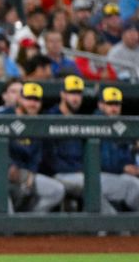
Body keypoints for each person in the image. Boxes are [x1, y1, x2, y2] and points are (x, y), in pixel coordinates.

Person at [0, 83, 65, 213]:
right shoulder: (2, 116)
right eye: (28, 99)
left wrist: (32, 171)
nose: (33, 103)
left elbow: (38, 154)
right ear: (19, 99)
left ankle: (29, 225)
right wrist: (9, 165)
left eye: (36, 100)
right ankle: (8, 229)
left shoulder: (38, 122)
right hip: (1, 175)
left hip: (26, 175)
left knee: (57, 190)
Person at [43, 75, 114, 212]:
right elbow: (49, 160)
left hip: (81, 173)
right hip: (58, 174)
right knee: (91, 184)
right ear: (62, 94)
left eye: (78, 93)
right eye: (71, 93)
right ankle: (112, 225)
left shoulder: (81, 119)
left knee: (118, 185)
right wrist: (75, 169)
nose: (75, 98)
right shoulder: (50, 117)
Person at [96, 87, 139, 211]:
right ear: (100, 105)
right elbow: (99, 161)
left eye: (117, 104)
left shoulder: (120, 125)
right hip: (99, 175)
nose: (114, 108)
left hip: (118, 175)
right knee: (133, 186)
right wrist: (122, 167)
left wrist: (133, 156)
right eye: (110, 104)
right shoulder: (96, 123)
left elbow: (126, 155)